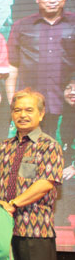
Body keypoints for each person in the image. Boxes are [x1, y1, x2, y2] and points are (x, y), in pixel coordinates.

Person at [0, 88, 64, 260]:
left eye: (29, 110)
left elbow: (46, 183)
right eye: (17, 110)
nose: (22, 115)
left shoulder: (49, 146)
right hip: (6, 231)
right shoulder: (3, 147)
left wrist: (13, 204)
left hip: (35, 231)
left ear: (41, 114)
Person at [7, 0, 75, 137]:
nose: (52, 0)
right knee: (31, 155)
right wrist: (12, 101)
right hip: (31, 106)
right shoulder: (21, 26)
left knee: (65, 155)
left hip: (68, 105)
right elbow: (12, 65)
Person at [57, 74, 75, 225]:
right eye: (69, 88)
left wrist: (74, 167)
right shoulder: (62, 117)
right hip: (64, 165)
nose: (72, 92)